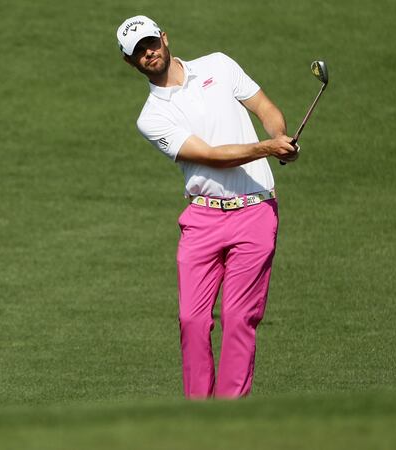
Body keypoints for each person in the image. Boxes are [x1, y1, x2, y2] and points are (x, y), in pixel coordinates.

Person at [116, 15, 299, 399]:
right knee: (191, 320)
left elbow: (264, 107)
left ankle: (228, 416)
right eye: (139, 51)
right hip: (202, 218)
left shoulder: (219, 64)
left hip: (255, 211)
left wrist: (280, 136)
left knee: (238, 317)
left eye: (151, 43)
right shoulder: (151, 117)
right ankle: (198, 414)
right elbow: (211, 156)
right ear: (130, 61)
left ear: (164, 38)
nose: (149, 53)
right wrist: (267, 148)